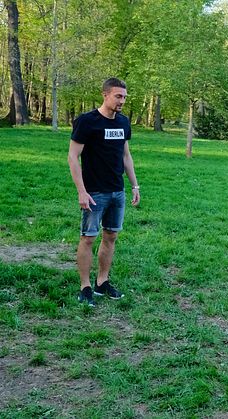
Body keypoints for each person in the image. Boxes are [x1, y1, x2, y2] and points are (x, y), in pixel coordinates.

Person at [67, 78, 140, 307]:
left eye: (125, 97)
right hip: (94, 192)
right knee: (88, 238)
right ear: (105, 95)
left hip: (117, 191)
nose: (122, 101)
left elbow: (126, 156)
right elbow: (72, 156)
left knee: (111, 236)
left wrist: (134, 185)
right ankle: (85, 286)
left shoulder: (123, 123)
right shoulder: (87, 122)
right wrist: (81, 191)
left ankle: (102, 282)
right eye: (118, 96)